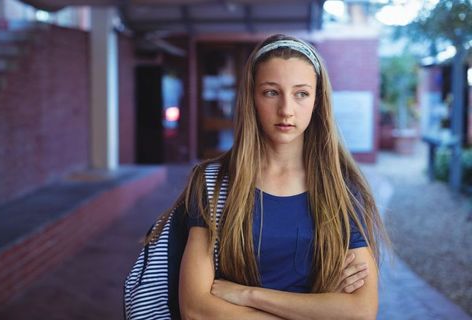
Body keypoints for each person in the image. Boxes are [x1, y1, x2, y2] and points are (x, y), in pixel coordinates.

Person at [152, 33, 388, 319]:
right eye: (271, 92)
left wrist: (246, 294)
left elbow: (360, 311)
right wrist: (318, 310)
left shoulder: (341, 187)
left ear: (317, 101)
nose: (286, 110)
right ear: (252, 97)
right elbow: (196, 309)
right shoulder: (212, 182)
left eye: (301, 93)